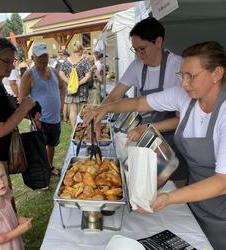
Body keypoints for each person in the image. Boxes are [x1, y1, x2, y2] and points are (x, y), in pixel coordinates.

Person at [84, 41, 226, 250]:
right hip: (195, 200)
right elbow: (139, 103)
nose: (184, 83)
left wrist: (170, 197)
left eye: (191, 76)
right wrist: (104, 109)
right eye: (181, 76)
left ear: (217, 74)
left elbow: (222, 182)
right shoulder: (184, 97)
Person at [101, 17, 188, 186]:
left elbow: (181, 119)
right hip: (148, 136)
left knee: (176, 188)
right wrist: (99, 112)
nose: (140, 55)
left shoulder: (178, 67)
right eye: (135, 50)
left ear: (158, 42)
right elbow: (114, 96)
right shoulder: (138, 65)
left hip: (174, 138)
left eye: (142, 49)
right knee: (147, 185)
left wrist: (149, 128)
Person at [20, 42, 65, 176]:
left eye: (45, 56)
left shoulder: (54, 71)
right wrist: (32, 117)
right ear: (33, 57)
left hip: (55, 119)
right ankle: (41, 174)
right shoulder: (29, 75)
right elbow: (22, 99)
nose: (43, 59)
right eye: (39, 57)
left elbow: (62, 88)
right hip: (40, 121)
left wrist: (61, 105)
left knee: (51, 145)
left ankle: (49, 167)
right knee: (39, 149)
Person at [59, 41, 91, 127]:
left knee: (72, 111)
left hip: (71, 89)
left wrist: (68, 81)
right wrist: (79, 83)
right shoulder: (84, 61)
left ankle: (74, 130)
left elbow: (61, 73)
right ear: (80, 50)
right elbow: (88, 76)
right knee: (83, 110)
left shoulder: (66, 62)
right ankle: (83, 128)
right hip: (82, 90)